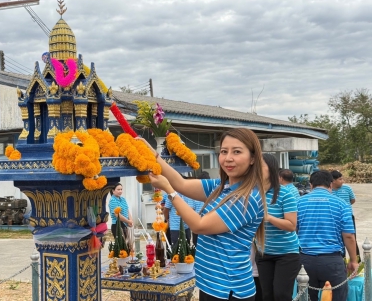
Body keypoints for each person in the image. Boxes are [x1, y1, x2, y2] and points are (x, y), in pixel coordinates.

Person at [141, 128, 266, 301]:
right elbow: (181, 184)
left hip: (229, 289)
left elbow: (199, 226)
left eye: (237, 152)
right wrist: (148, 150)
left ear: (253, 158)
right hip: (212, 284)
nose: (228, 158)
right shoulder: (222, 186)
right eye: (224, 151)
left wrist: (168, 191)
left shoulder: (247, 197)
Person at [297, 170, 358, 301]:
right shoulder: (342, 204)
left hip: (304, 261)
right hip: (332, 262)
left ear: (311, 185)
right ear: (331, 184)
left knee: (305, 297)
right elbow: (348, 236)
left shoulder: (299, 203)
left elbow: (293, 231)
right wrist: (353, 260)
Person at [255, 154, 300, 301]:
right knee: (266, 295)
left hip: (286, 254)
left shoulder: (285, 194)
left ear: (271, 169)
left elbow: (292, 225)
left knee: (281, 295)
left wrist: (269, 218)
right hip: (263, 253)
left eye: (260, 166)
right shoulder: (254, 193)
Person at [331, 170, 360, 261]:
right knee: (338, 239)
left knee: (352, 238)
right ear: (333, 180)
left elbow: (352, 200)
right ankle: (341, 261)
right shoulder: (329, 190)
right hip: (334, 218)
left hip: (348, 217)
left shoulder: (347, 188)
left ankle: (356, 261)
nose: (342, 181)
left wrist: (344, 209)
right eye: (340, 179)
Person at [192, 171, 211, 247]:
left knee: (197, 246)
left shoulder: (194, 195)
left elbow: (192, 209)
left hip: (200, 225)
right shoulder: (213, 194)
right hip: (204, 226)